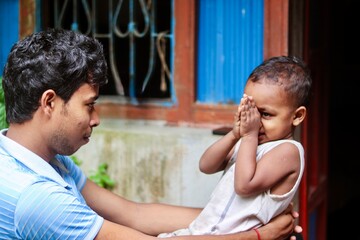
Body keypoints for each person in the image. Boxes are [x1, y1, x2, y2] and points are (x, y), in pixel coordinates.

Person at [0, 28, 301, 240]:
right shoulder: (38, 199)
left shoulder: (37, 158)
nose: (96, 119)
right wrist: (261, 235)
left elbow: (133, 214)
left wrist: (247, 216)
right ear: (49, 102)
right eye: (89, 105)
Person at [158, 56, 311, 238]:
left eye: (265, 114)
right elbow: (206, 166)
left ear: (297, 116)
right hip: (204, 232)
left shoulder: (288, 150)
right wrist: (234, 134)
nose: (255, 121)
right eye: (250, 110)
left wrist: (248, 136)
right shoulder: (247, 141)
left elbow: (244, 186)